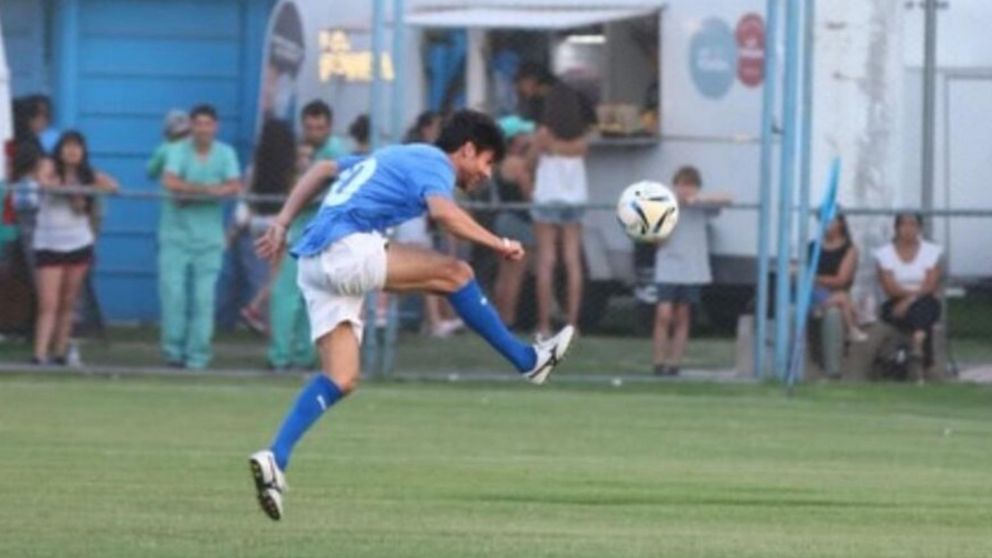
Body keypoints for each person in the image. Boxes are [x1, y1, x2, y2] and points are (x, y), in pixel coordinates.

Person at [248, 110, 576, 521]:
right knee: (457, 274)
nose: (487, 173)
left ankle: (275, 458)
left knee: (341, 378)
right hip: (344, 248)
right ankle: (528, 361)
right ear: (467, 150)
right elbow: (443, 214)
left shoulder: (395, 156)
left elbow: (323, 169)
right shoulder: (435, 162)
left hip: (314, 261)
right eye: (487, 161)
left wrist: (282, 222)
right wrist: (499, 243)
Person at [158, 104, 242, 369]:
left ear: (216, 127)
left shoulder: (225, 153)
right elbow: (169, 181)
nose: (203, 129)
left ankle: (198, 356)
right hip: (175, 237)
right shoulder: (177, 151)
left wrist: (191, 192)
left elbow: (234, 185)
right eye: (198, 124)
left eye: (208, 124)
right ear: (191, 126)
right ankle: (173, 353)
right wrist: (208, 190)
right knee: (173, 296)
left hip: (209, 238)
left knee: (203, 299)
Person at [33, 131, 118, 364]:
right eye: (68, 146)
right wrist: (66, 188)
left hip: (78, 243)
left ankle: (60, 352)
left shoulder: (87, 173)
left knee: (68, 301)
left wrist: (87, 190)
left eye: (77, 147)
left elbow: (112, 186)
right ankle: (40, 354)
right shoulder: (49, 165)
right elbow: (44, 183)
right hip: (49, 244)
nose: (72, 151)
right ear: (60, 149)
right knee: (48, 303)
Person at [530, 78, 595, 338]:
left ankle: (544, 324)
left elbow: (531, 161)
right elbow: (581, 152)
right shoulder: (581, 137)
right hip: (575, 198)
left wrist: (544, 149)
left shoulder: (544, 133)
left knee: (546, 260)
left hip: (547, 196)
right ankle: (572, 324)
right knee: (572, 260)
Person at [651, 166, 730, 376]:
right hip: (668, 268)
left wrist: (698, 199)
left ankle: (674, 363)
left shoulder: (700, 206)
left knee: (683, 314)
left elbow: (727, 199)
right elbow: (658, 241)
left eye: (690, 185)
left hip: (692, 269)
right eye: (682, 185)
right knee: (663, 315)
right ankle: (659, 361)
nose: (685, 189)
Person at [874, 212, 942, 370]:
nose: (908, 229)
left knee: (925, 306)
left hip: (925, 300)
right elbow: (890, 288)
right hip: (894, 303)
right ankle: (921, 352)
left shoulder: (931, 251)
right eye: (904, 224)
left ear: (919, 228)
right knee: (921, 312)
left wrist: (910, 300)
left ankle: (917, 343)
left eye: (913, 225)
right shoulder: (884, 253)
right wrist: (909, 299)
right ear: (896, 228)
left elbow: (931, 285)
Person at [492, 115, 537, 327]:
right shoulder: (518, 165)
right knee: (515, 275)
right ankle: (508, 319)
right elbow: (530, 195)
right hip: (519, 221)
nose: (527, 137)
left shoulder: (499, 164)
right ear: (514, 139)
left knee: (503, 274)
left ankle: (498, 318)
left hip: (503, 219)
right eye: (522, 134)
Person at [810, 212, 868, 342]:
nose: (826, 224)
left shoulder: (849, 249)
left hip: (833, 293)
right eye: (823, 220)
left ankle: (850, 329)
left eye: (831, 220)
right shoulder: (812, 247)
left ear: (841, 223)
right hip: (814, 291)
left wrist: (814, 278)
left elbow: (841, 280)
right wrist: (812, 280)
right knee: (843, 299)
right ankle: (852, 329)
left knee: (844, 301)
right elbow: (803, 274)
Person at [147, 109, 191, 180]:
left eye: (186, 134)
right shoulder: (164, 149)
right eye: (179, 135)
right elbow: (151, 171)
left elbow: (151, 171)